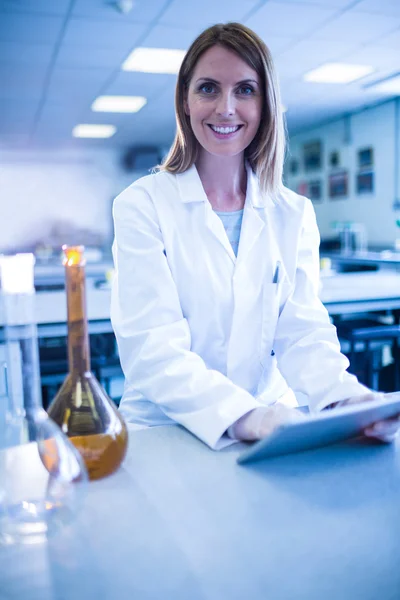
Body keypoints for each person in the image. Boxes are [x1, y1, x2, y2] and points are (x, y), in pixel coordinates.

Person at [111, 22, 400, 449]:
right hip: (165, 429)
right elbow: (154, 351)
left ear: (266, 104)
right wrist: (247, 417)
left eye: (245, 90)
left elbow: (302, 332)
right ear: (185, 102)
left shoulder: (293, 212)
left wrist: (344, 399)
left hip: (272, 424)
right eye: (208, 88)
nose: (226, 108)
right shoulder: (142, 204)